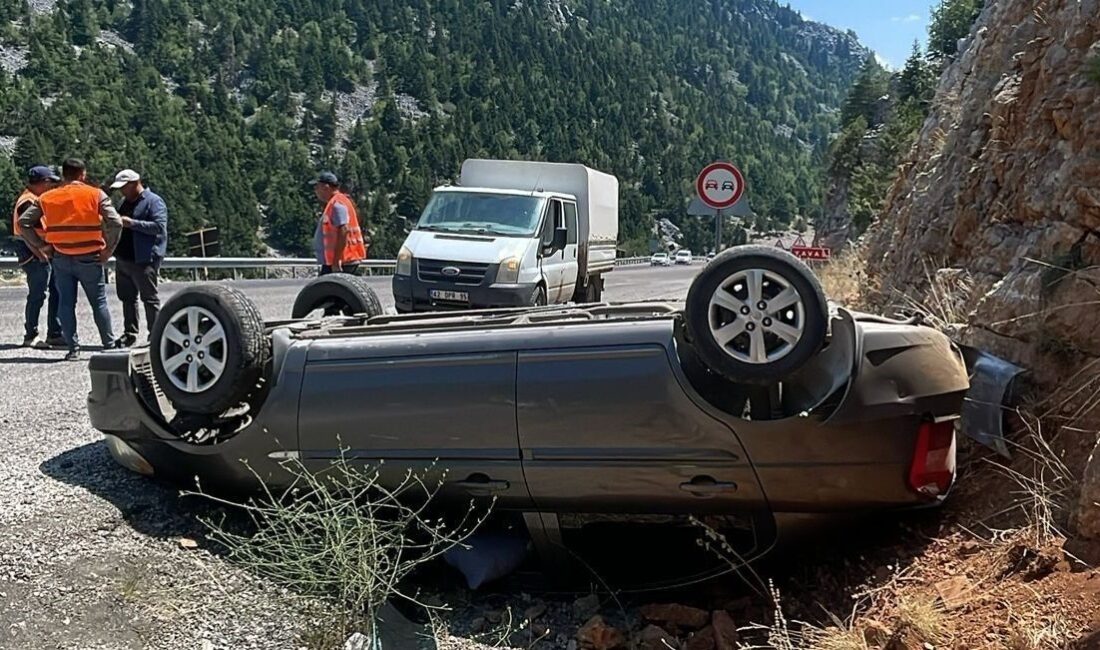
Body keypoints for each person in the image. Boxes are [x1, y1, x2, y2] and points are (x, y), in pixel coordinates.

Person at [18, 158, 122, 360]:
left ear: (63, 175)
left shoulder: (48, 197)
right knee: (98, 302)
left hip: (61, 256)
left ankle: (73, 349)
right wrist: (108, 250)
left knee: (66, 303)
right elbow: (116, 222)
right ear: (82, 174)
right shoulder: (95, 194)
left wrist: (41, 245)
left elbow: (24, 223)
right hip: (90, 256)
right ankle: (109, 346)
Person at [109, 169, 168, 347]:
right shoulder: (123, 202)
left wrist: (132, 224)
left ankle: (155, 335)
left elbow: (159, 227)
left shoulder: (154, 201)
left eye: (124, 187)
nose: (122, 191)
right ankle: (130, 333)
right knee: (127, 299)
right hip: (124, 258)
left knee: (149, 298)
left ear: (135, 183)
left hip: (144, 259)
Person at [12, 165, 63, 348]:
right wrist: (41, 253)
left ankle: (55, 333)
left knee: (55, 291)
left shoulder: (34, 199)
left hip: (43, 251)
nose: (52, 187)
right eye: (51, 182)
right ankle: (31, 334)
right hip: (34, 253)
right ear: (43, 182)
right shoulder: (28, 202)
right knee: (37, 294)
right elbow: (27, 232)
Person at [310, 171, 367, 275]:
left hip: (341, 261)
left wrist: (336, 261)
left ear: (326, 187)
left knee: (326, 285)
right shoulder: (339, 201)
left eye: (317, 187)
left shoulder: (337, 204)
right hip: (341, 260)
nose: (315, 191)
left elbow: (343, 230)